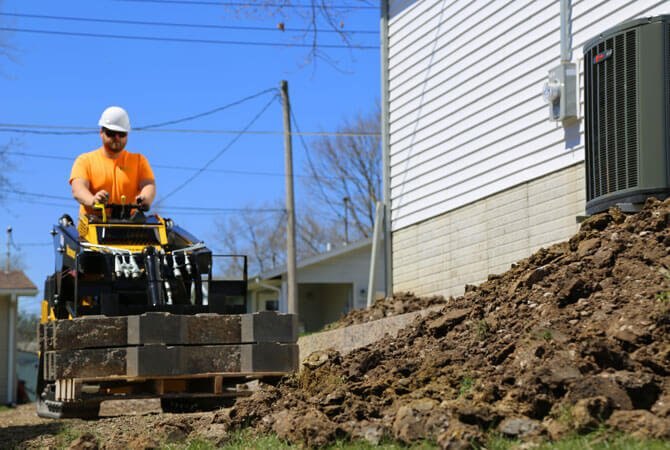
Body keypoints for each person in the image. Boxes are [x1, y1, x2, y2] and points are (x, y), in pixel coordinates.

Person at [70, 106, 156, 216]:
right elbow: (78, 189)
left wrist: (145, 198)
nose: (117, 138)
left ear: (127, 134)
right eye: (111, 133)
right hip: (93, 226)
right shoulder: (85, 161)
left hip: (131, 227)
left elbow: (148, 184)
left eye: (121, 134)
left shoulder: (139, 161)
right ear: (101, 132)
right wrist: (93, 200)